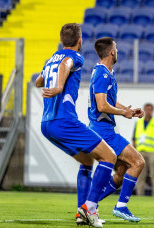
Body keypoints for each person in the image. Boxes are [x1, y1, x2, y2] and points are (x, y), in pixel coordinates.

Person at [35, 23, 116, 228]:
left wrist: (51, 83)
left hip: (47, 124)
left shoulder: (50, 58)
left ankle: (82, 213)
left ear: (62, 40)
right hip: (64, 120)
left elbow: (39, 81)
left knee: (88, 162)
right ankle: (90, 208)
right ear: (80, 41)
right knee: (109, 157)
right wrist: (60, 86)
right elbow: (66, 64)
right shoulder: (76, 57)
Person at [87, 37, 146, 223]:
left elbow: (108, 102)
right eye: (116, 48)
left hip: (102, 129)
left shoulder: (105, 73)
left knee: (121, 173)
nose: (118, 51)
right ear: (112, 52)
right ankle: (121, 206)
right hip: (103, 131)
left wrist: (128, 110)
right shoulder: (102, 74)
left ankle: (88, 207)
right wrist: (123, 113)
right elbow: (102, 105)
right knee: (138, 162)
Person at [133, 103, 154, 196]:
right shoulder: (139, 122)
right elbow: (134, 138)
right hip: (140, 152)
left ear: (152, 111)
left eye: (150, 110)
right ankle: (140, 194)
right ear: (144, 110)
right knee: (140, 175)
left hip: (153, 152)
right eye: (146, 109)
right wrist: (135, 151)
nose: (148, 111)